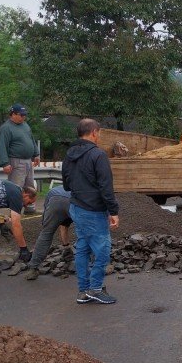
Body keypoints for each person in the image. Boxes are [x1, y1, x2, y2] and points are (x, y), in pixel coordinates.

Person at [62, 118, 119, 305]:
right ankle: (95, 289)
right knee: (102, 250)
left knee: (83, 248)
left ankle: (83, 291)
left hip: (76, 207)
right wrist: (113, 211)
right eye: (99, 133)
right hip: (94, 210)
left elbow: (66, 184)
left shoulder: (69, 155)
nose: (99, 136)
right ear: (94, 132)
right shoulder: (98, 155)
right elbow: (105, 186)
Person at [0, 103, 40, 214]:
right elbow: (2, 146)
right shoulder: (6, 128)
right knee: (16, 188)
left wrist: (36, 154)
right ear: (13, 114)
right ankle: (15, 211)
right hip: (16, 161)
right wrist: (5, 163)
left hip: (28, 160)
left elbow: (32, 140)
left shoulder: (25, 125)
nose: (23, 117)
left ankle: (29, 208)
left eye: (24, 115)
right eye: (21, 115)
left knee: (30, 186)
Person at [24, 186, 73, 280]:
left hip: (54, 200)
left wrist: (66, 246)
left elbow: (59, 225)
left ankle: (33, 268)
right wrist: (66, 247)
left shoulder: (53, 191)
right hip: (72, 201)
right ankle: (91, 265)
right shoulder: (73, 188)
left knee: (46, 233)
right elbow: (64, 226)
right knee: (85, 232)